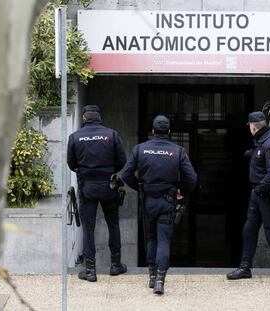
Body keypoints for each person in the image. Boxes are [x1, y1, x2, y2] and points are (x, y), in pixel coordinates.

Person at [122, 115, 197, 295]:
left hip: (148, 201)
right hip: (168, 200)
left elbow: (126, 174)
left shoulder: (140, 149)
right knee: (163, 240)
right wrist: (182, 193)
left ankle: (152, 276)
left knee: (150, 238)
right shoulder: (177, 151)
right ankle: (160, 282)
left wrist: (140, 188)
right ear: (169, 132)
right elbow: (192, 178)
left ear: (153, 131)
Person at [67, 105, 128, 282]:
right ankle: (115, 265)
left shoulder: (75, 137)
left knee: (88, 228)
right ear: (99, 118)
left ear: (84, 118)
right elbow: (122, 161)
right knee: (113, 225)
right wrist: (108, 172)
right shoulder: (112, 134)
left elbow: (71, 164)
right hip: (109, 186)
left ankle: (90, 270)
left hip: (87, 187)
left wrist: (86, 172)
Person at [226, 111, 270, 282]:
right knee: (249, 230)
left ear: (253, 126)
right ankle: (245, 268)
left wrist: (259, 189)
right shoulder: (261, 141)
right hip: (258, 194)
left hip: (268, 195)